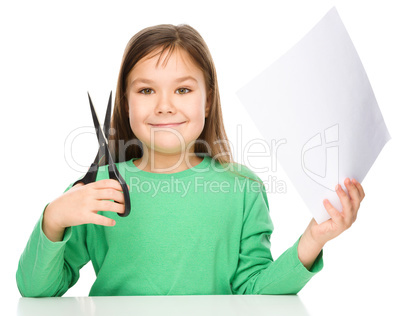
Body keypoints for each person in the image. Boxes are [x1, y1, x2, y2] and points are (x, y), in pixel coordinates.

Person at [16, 24, 365, 297]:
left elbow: (254, 290)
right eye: (146, 90)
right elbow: (36, 289)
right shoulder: (97, 188)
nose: (164, 105)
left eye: (182, 90)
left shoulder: (243, 190)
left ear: (208, 101)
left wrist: (312, 241)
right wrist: (54, 218)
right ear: (125, 103)